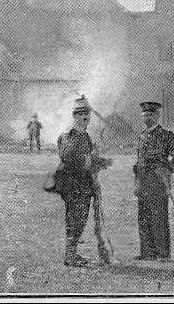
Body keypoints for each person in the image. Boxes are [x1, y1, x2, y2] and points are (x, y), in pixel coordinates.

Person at [54, 96, 109, 267]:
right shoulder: (69, 136)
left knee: (81, 219)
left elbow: (87, 160)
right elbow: (67, 157)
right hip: (73, 186)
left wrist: (98, 162)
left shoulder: (86, 136)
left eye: (87, 114)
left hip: (84, 185)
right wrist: (90, 160)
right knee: (74, 219)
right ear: (74, 116)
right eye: (80, 114)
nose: (85, 117)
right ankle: (70, 256)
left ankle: (72, 254)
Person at [133, 100, 174, 261]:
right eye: (145, 115)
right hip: (143, 182)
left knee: (158, 217)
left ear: (157, 116)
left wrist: (167, 169)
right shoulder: (142, 136)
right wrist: (136, 181)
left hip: (158, 182)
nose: (147, 118)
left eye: (150, 115)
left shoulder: (166, 136)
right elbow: (139, 160)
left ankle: (163, 253)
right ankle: (147, 252)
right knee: (143, 217)